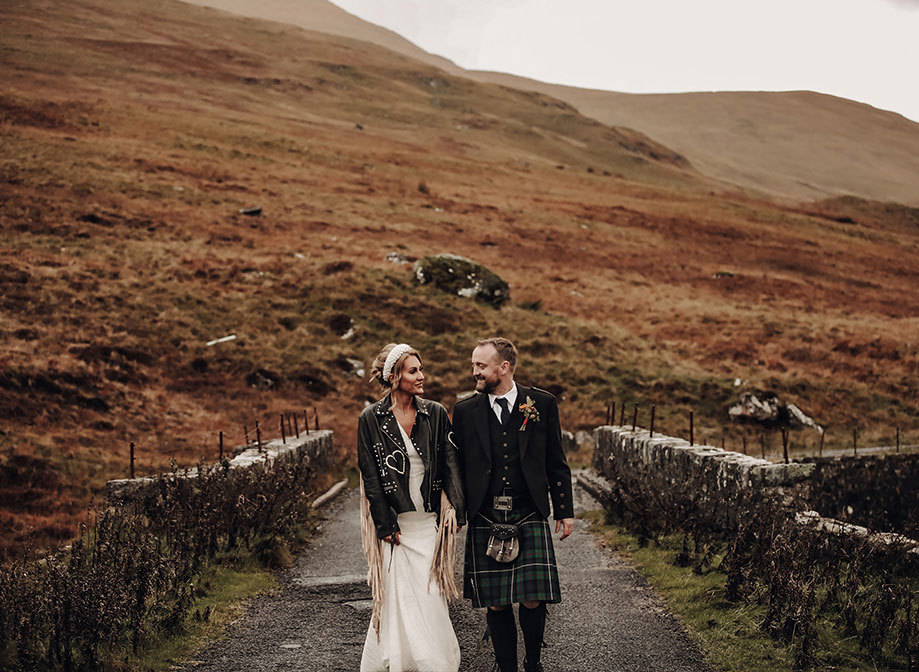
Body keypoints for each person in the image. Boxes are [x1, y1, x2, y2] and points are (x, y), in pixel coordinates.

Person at [453, 337, 574, 672]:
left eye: (481, 365)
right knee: (495, 602)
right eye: (473, 364)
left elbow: (556, 461)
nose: (474, 371)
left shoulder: (542, 403)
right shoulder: (465, 411)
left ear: (503, 368)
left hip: (529, 510)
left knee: (533, 596)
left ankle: (532, 663)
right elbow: (458, 466)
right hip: (486, 512)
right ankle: (505, 665)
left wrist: (565, 510)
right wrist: (456, 511)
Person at [357, 342, 466, 672]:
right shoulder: (371, 419)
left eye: (421, 369)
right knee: (399, 598)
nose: (422, 376)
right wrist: (384, 524)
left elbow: (450, 464)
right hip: (397, 525)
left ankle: (434, 663)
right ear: (394, 377)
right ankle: (405, 660)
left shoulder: (434, 412)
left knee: (432, 596)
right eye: (413, 370)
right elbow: (370, 476)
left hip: (428, 521)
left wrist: (457, 510)